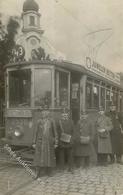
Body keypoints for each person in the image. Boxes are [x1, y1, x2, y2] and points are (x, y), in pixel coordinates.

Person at [33, 110, 58, 178]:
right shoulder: (39, 121)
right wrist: (34, 142)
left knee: (49, 156)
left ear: (48, 113)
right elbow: (35, 132)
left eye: (46, 112)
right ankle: (38, 172)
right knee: (38, 157)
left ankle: (49, 171)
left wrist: (56, 142)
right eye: (43, 112)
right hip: (40, 142)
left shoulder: (51, 121)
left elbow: (55, 132)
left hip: (49, 142)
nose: (44, 114)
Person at [57, 108, 74, 172]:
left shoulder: (71, 122)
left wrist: (72, 140)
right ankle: (61, 168)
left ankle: (71, 168)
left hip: (69, 140)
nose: (65, 115)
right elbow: (57, 132)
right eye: (63, 114)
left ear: (68, 115)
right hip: (61, 140)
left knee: (70, 155)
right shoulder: (59, 122)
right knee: (61, 155)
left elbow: (73, 132)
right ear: (61, 115)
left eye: (66, 114)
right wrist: (58, 140)